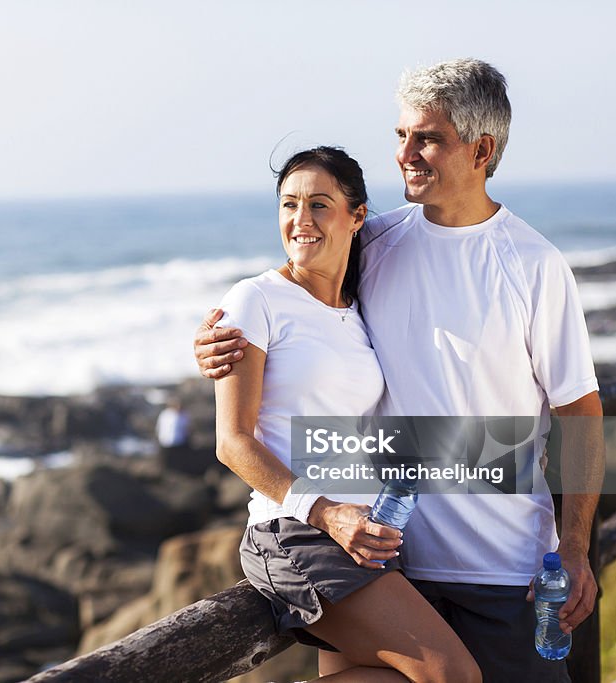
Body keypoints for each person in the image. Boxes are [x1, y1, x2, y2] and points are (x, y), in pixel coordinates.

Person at [195, 59, 603, 683]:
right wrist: (214, 342)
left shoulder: (533, 265)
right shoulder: (375, 245)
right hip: (394, 557)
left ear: (481, 149)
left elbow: (580, 412)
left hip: (507, 571)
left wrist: (574, 548)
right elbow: (297, 290)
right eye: (401, 136)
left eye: (428, 138)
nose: (405, 154)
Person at [215, 145, 481, 682]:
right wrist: (327, 512)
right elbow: (233, 441)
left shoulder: (356, 311)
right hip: (299, 531)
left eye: (319, 204)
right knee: (454, 675)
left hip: (365, 535)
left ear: (357, 216)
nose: (300, 220)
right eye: (289, 205)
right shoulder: (255, 300)